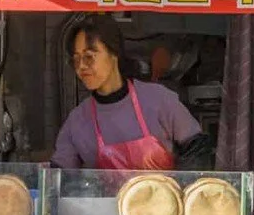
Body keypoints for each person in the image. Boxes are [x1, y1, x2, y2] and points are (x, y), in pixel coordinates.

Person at [51, 15, 207, 171]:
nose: (81, 67)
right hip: (109, 197)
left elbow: (196, 148)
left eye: (89, 57)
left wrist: (184, 187)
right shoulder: (77, 121)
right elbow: (57, 176)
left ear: (114, 53)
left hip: (163, 195)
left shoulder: (158, 100)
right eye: (76, 59)